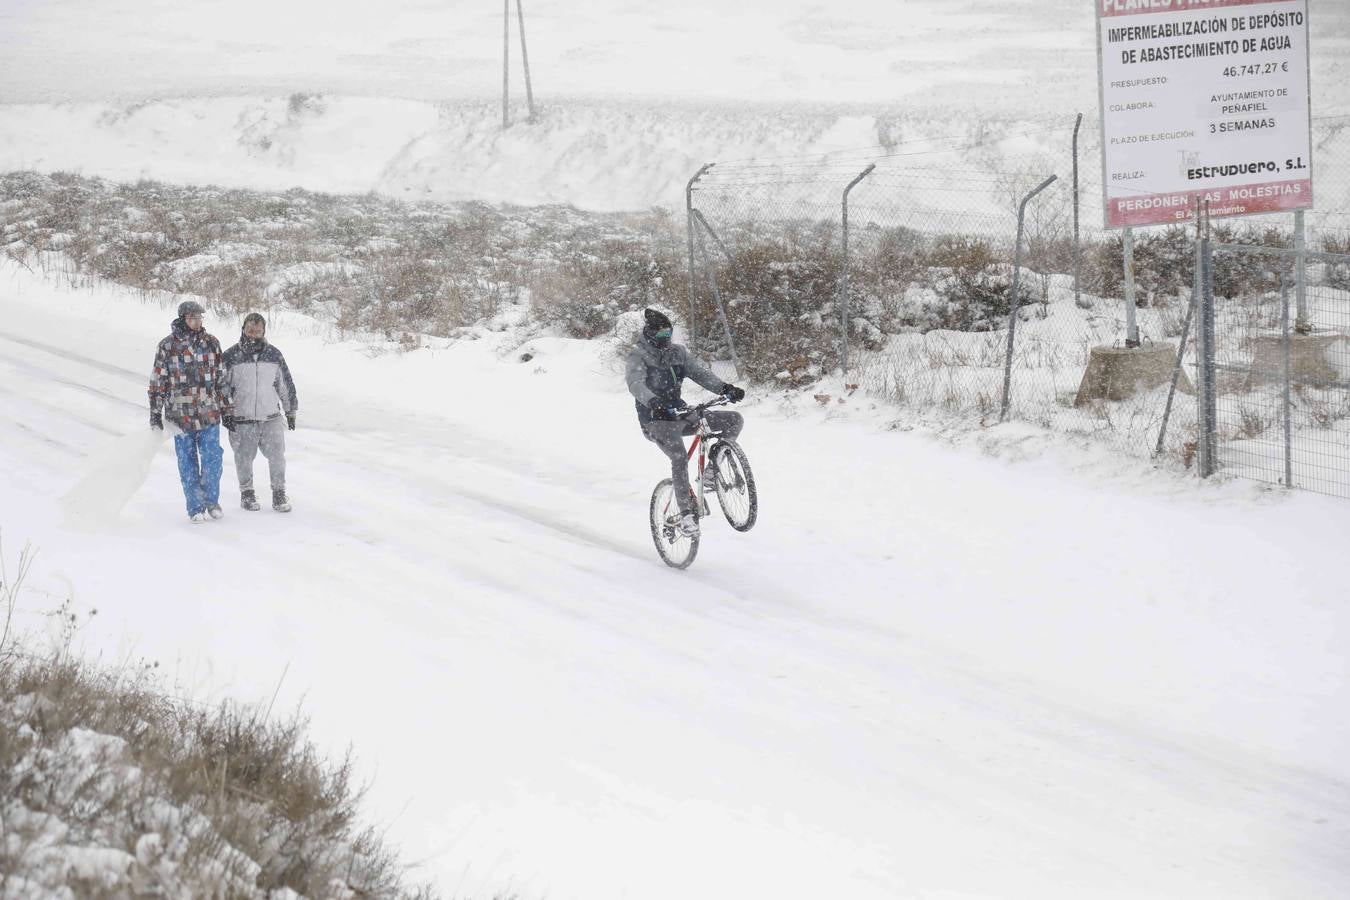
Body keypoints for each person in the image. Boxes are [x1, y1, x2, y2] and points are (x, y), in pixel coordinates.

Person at [626, 308, 746, 537]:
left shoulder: (678, 353)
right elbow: (635, 384)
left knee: (733, 420)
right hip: (655, 420)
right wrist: (652, 401)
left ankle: (712, 472)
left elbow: (700, 374)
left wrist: (725, 389)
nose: (666, 338)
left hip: (680, 413)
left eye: (668, 333)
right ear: (650, 333)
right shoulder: (638, 356)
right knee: (680, 457)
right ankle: (686, 516)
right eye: (661, 334)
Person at [149, 300, 229, 523]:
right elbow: (158, 381)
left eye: (199, 317)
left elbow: (222, 379)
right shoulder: (167, 346)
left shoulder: (212, 343)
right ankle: (195, 507)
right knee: (187, 463)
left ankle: (211, 501)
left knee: (213, 458)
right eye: (192, 318)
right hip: (180, 416)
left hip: (209, 413)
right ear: (183, 319)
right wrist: (155, 412)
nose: (197, 322)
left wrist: (227, 408)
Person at [221, 312, 298, 513]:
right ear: (243, 329)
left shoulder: (274, 355)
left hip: (271, 417)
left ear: (263, 331)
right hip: (242, 418)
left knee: (277, 457)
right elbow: (221, 387)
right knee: (243, 458)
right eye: (250, 330)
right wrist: (226, 411)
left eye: (258, 331)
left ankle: (279, 493)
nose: (253, 334)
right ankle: (247, 493)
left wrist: (290, 410)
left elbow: (285, 384)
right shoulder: (230, 356)